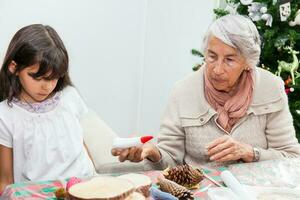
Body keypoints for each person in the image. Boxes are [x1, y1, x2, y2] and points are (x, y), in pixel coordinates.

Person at [111, 14, 300, 170]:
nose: (217, 69)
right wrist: (153, 153)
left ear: (247, 63)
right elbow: (170, 158)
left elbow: (291, 157)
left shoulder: (270, 88)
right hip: (199, 190)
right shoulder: (183, 91)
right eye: (212, 56)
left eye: (229, 60)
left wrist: (250, 153)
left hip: (255, 192)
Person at [0, 24, 95, 194]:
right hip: (37, 194)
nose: (47, 86)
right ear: (14, 68)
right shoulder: (5, 114)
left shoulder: (69, 97)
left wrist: (96, 180)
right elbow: (5, 182)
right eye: (38, 78)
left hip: (85, 187)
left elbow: (81, 147)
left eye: (54, 78)